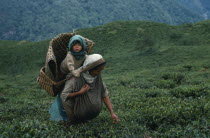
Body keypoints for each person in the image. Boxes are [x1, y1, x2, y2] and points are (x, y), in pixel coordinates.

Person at [50, 54, 119, 124]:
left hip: (91, 115)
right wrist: (80, 92)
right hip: (76, 115)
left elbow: (104, 94)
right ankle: (72, 121)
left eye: (101, 71)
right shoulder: (74, 79)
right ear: (89, 69)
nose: (99, 73)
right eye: (97, 71)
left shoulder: (97, 77)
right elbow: (63, 95)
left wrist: (112, 113)